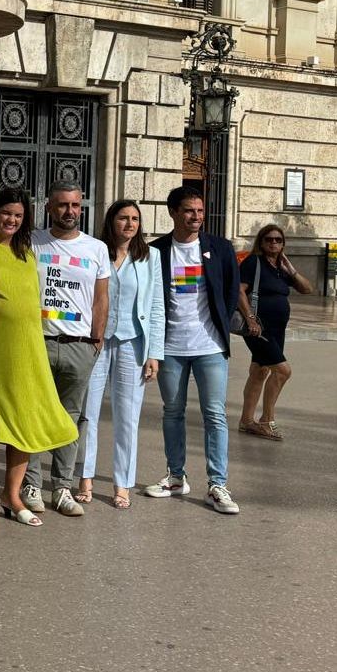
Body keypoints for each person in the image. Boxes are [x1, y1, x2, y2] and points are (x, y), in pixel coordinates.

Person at [0, 189, 76, 528]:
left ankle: (12, 494)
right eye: (6, 213)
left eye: (18, 215)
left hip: (27, 349)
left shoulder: (26, 253)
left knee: (26, 419)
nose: (12, 220)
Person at [145, 186, 242, 515]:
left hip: (209, 346)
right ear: (173, 212)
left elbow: (229, 292)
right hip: (170, 347)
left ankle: (217, 484)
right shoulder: (155, 251)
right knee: (172, 412)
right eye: (189, 211)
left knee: (215, 415)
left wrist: (220, 327)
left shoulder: (220, 248)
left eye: (200, 211)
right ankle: (175, 476)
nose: (196, 217)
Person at [24, 182, 110, 518]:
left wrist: (96, 339)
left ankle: (61, 486)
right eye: (62, 205)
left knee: (70, 420)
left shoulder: (96, 249)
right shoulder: (32, 242)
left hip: (79, 347)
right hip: (39, 343)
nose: (69, 211)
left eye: (75, 205)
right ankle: (31, 484)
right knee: (33, 415)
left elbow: (101, 297)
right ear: (49, 207)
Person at [74, 200, 165, 510]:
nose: (130, 224)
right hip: (97, 340)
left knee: (128, 416)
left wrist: (154, 352)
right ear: (111, 221)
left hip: (132, 342)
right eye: (124, 218)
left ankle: (122, 482)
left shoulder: (151, 257)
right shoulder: (96, 251)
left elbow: (156, 307)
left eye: (135, 219)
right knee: (88, 414)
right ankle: (84, 477)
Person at [236, 224, 312, 442]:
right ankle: (266, 420)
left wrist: (292, 269)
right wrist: (250, 318)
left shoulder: (280, 267)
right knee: (283, 371)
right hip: (259, 328)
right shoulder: (254, 262)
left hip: (278, 329)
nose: (274, 243)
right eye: (269, 239)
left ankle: (246, 421)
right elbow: (239, 290)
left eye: (278, 240)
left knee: (259, 371)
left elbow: (307, 289)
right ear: (261, 242)